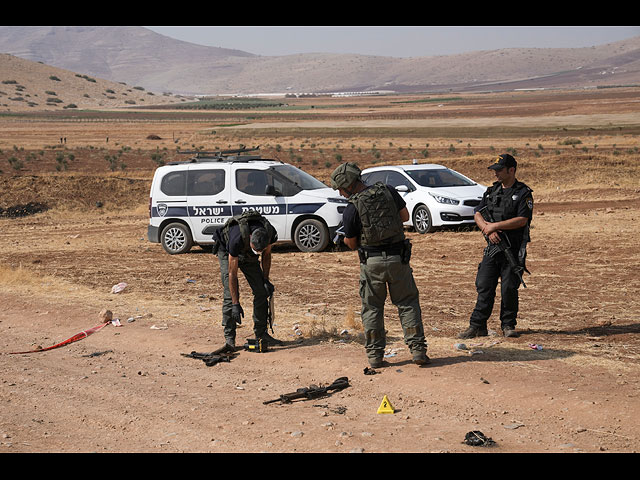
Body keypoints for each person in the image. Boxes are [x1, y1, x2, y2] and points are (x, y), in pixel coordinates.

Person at [330, 162, 429, 368]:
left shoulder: (352, 207)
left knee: (372, 308)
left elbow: (352, 243)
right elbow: (405, 216)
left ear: (347, 185)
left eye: (340, 188)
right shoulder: (388, 190)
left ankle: (375, 357)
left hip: (371, 263)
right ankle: (418, 350)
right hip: (398, 259)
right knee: (407, 303)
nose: (340, 193)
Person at [458, 153, 534, 339]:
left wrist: (496, 226)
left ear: (511, 170)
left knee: (509, 288)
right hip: (492, 249)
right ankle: (477, 325)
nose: (496, 174)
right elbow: (478, 212)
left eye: (499, 170)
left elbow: (522, 220)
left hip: (512, 250)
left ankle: (508, 325)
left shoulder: (523, 193)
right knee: (484, 285)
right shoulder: (491, 192)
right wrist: (486, 228)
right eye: (495, 170)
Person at [212, 210, 283, 350]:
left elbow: (266, 256)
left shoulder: (269, 233)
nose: (258, 253)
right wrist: (235, 304)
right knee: (229, 295)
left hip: (247, 253)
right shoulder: (236, 238)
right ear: (250, 238)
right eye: (256, 250)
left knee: (262, 291)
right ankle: (230, 339)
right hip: (228, 252)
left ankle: (261, 334)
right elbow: (232, 274)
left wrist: (265, 280)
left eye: (259, 251)